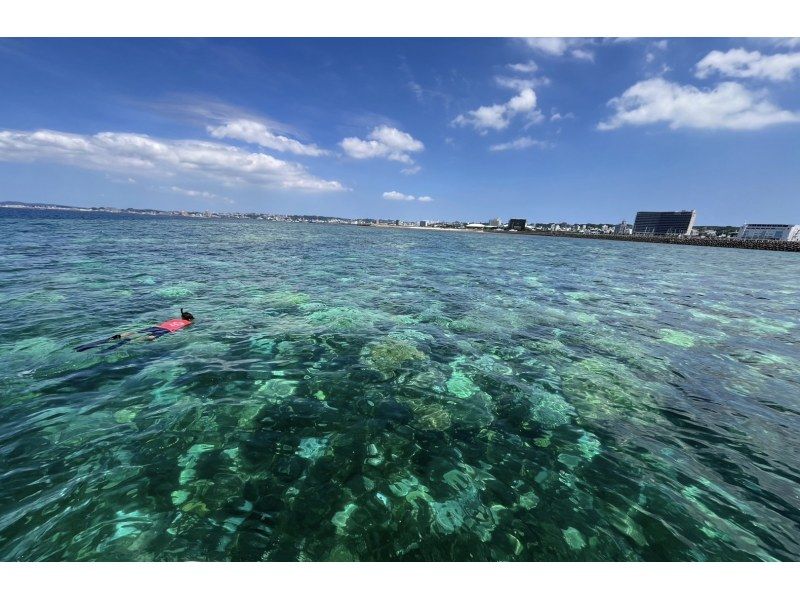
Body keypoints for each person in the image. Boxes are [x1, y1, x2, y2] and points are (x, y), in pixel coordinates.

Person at [75, 309, 195, 352]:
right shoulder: (188, 323)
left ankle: (117, 338)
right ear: (189, 319)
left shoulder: (174, 319)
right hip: (165, 331)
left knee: (132, 333)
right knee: (150, 338)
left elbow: (163, 323)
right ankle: (124, 344)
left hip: (157, 327)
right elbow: (180, 329)